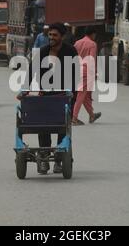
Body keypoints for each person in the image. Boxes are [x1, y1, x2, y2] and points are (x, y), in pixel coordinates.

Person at [27, 22, 79, 174]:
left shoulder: (70, 51)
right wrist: (25, 89)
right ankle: (44, 158)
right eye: (50, 35)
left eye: (55, 35)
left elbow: (75, 75)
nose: (51, 37)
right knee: (43, 127)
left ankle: (59, 159)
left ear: (62, 37)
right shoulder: (43, 51)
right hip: (45, 95)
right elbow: (32, 70)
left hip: (64, 96)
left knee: (62, 128)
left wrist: (73, 94)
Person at [72, 26, 102, 126]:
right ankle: (74, 118)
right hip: (86, 71)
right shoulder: (92, 44)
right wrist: (95, 73)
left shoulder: (77, 43)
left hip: (76, 69)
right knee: (81, 94)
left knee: (85, 95)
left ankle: (91, 115)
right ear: (93, 34)